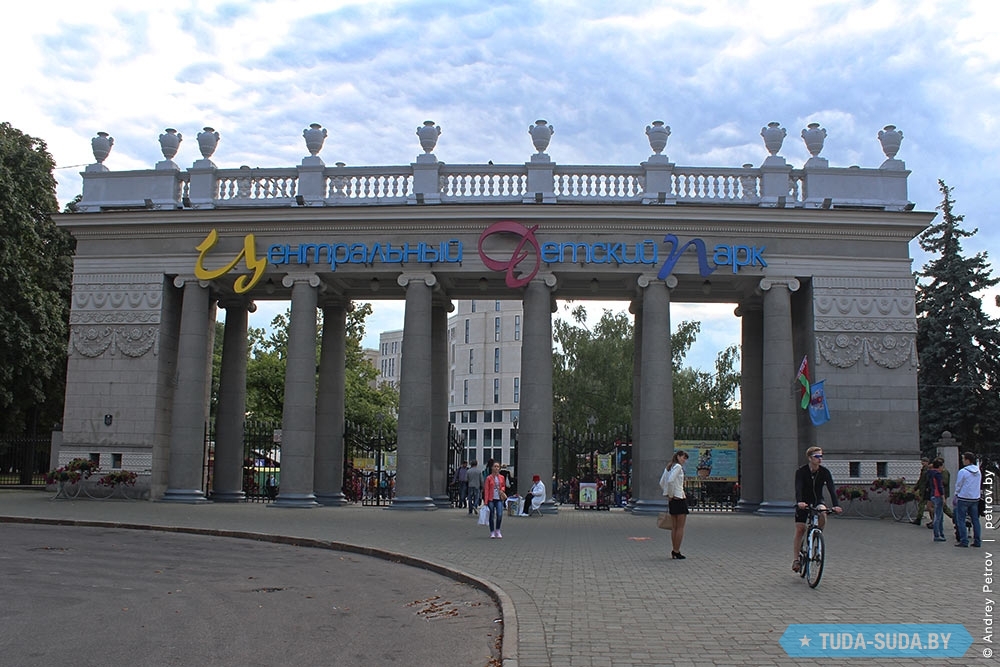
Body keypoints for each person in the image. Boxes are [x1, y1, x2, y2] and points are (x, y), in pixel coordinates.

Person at [792, 446, 842, 573]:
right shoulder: (801, 471)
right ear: (810, 458)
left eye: (821, 456)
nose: (820, 459)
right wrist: (799, 502)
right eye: (817, 456)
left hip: (817, 501)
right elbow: (798, 487)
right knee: (800, 529)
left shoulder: (824, 472)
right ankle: (796, 559)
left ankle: (817, 534)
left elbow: (831, 488)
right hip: (804, 502)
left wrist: (836, 505)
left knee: (823, 512)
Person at [659, 449, 690, 559]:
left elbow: (662, 482)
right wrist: (672, 494)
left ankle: (674, 550)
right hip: (679, 498)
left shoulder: (669, 467)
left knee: (674, 527)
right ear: (678, 456)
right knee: (680, 527)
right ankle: (676, 550)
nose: (684, 460)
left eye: (685, 458)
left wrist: (668, 494)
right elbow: (670, 481)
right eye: (683, 458)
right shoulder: (678, 467)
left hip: (672, 500)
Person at [954, 451, 982, 548]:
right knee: (975, 520)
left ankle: (964, 541)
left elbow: (959, 484)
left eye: (963, 459)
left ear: (967, 460)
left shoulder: (963, 471)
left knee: (961, 520)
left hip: (963, 497)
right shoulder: (978, 471)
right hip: (975, 498)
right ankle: (977, 541)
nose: (962, 460)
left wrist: (956, 494)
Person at [483, 461, 507, 539]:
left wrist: (502, 490)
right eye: (495, 466)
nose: (496, 468)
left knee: (499, 514)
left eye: (498, 467)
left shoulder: (502, 477)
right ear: (492, 468)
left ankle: (498, 530)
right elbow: (486, 489)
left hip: (499, 498)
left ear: (499, 468)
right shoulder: (489, 478)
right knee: (491, 515)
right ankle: (492, 531)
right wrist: (486, 501)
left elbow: (503, 486)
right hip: (491, 499)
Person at [926, 457, 947, 542]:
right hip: (937, 495)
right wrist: (943, 496)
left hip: (932, 494)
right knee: (938, 516)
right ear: (939, 466)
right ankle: (937, 534)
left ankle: (940, 533)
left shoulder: (930, 473)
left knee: (939, 515)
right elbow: (940, 486)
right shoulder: (937, 474)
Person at [910, 457, 930, 525]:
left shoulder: (927, 470)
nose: (922, 462)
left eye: (924, 461)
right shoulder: (924, 469)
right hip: (922, 489)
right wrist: (916, 488)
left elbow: (926, 480)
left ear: (927, 462)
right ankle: (918, 518)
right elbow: (920, 480)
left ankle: (918, 519)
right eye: (922, 461)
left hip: (925, 489)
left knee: (922, 504)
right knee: (922, 504)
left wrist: (926, 488)